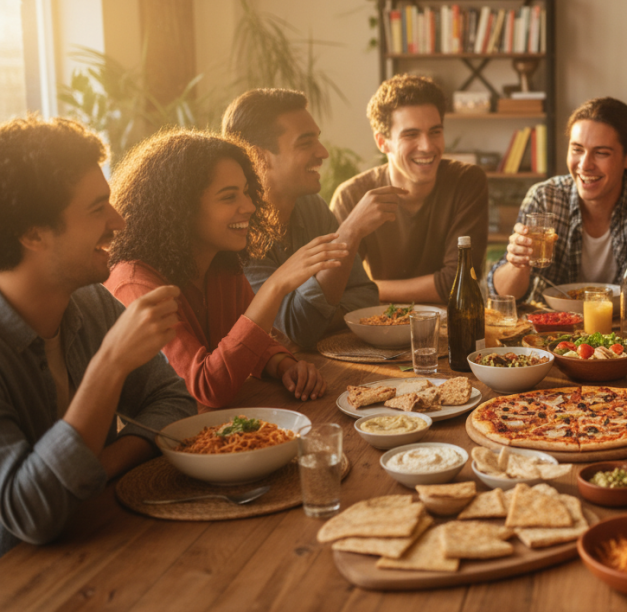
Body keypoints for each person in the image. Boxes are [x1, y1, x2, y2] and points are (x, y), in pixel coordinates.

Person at [0, 117, 195, 556]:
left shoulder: (89, 301)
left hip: (103, 545)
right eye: (96, 208)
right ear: (33, 233)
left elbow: (175, 403)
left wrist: (99, 465)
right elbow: (30, 516)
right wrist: (110, 363)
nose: (119, 221)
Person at [106, 130, 345, 408]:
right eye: (229, 197)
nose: (250, 206)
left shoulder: (221, 265)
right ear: (182, 209)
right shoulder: (136, 284)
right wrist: (275, 286)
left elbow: (250, 344)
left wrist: (283, 365)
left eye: (246, 192)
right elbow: (208, 387)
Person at [222, 88, 379, 350]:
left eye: (317, 139)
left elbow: (367, 298)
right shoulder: (237, 227)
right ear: (257, 157)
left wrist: (318, 317)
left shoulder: (312, 206)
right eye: (305, 143)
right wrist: (349, 233)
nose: (323, 152)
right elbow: (298, 328)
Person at [488, 97, 627, 307]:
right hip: (552, 330)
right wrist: (517, 264)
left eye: (601, 153)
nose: (585, 165)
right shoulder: (546, 197)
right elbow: (501, 295)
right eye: (577, 149)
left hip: (626, 329)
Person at [330, 74, 488, 302]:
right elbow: (334, 286)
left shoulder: (467, 182)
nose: (427, 146)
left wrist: (366, 289)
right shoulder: (352, 195)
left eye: (435, 131)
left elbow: (457, 282)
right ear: (383, 142)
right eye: (410, 135)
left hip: (448, 324)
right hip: (379, 323)